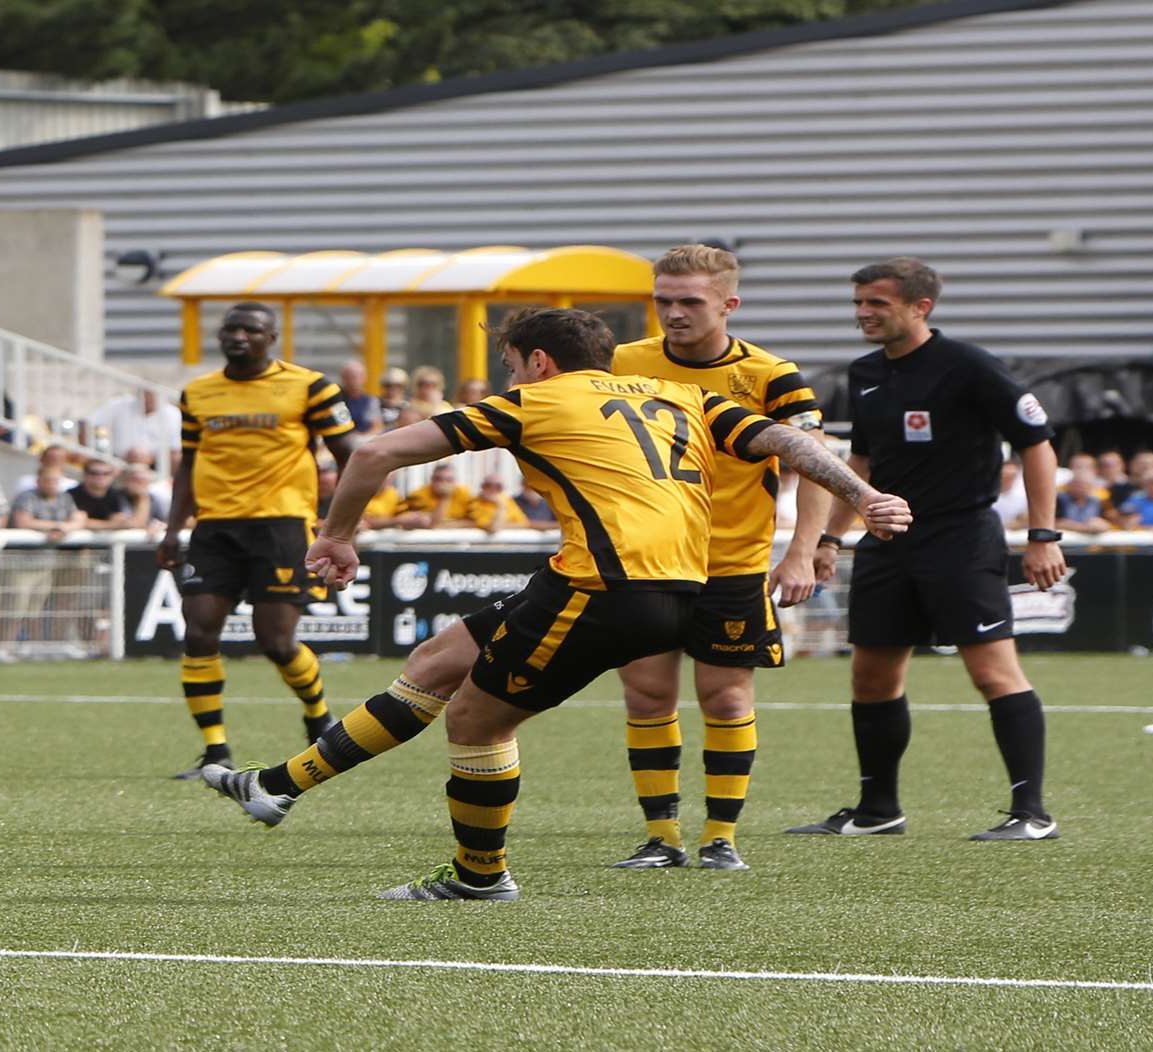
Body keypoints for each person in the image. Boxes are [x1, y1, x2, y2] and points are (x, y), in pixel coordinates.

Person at [197, 307, 908, 899]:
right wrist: (865, 496)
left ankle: (478, 877)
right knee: (440, 660)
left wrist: (338, 535)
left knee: (476, 722)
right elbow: (789, 439)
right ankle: (277, 785)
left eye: (509, 362)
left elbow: (372, 453)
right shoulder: (681, 395)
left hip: (606, 588)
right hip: (665, 581)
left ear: (538, 362)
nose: (509, 376)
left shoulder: (535, 399)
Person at [799, 257, 1065, 842]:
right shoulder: (864, 372)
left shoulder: (968, 366)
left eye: (877, 304)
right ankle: (877, 810)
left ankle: (1031, 814)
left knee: (994, 674)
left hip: (961, 541)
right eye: (859, 303)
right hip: (886, 544)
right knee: (870, 678)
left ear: (922, 307)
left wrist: (1042, 536)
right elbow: (861, 466)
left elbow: (1037, 444)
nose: (864, 314)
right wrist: (829, 537)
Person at [603, 243, 831, 870]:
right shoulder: (625, 362)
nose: (673, 314)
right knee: (647, 696)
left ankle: (720, 838)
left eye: (689, 302)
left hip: (732, 561)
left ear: (729, 304)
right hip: (646, 562)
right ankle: (662, 837)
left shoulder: (771, 375)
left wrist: (802, 552)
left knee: (726, 699)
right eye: (663, 301)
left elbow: (815, 467)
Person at [157, 302, 360, 777]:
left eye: (252, 329)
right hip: (215, 528)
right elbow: (188, 463)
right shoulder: (198, 393)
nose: (240, 336)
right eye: (232, 328)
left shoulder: (309, 386)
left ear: (272, 338)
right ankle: (215, 750)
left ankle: (317, 713)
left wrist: (342, 526)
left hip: (282, 525)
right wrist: (172, 527)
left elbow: (351, 455)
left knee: (277, 642)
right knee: (199, 629)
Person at [89, 390, 183, 473]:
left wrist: (151, 458)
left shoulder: (172, 414)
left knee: (177, 458)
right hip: (116, 459)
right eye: (146, 396)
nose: (149, 400)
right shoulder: (119, 405)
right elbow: (96, 426)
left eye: (153, 397)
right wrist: (104, 449)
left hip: (155, 464)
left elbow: (175, 446)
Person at [10, 465, 81, 537]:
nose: (51, 484)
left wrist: (64, 528)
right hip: (26, 544)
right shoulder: (26, 497)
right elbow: (22, 523)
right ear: (38, 481)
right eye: (47, 480)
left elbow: (78, 520)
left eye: (55, 481)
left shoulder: (65, 497)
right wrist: (56, 527)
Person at [395, 463, 473, 528]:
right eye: (439, 479)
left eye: (449, 480)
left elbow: (475, 522)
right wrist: (445, 498)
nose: (444, 483)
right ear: (432, 480)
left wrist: (444, 525)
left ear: (454, 482)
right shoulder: (418, 495)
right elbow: (431, 524)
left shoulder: (464, 493)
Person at [70, 459, 132, 527]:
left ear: (113, 475)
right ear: (85, 474)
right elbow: (73, 522)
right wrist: (109, 524)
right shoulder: (70, 495)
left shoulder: (118, 495)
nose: (100, 477)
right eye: (94, 473)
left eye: (106, 473)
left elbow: (126, 521)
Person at [1055, 468, 1113, 533]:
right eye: (1077, 485)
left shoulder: (1097, 502)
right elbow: (1053, 522)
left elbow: (1107, 523)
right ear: (1069, 485)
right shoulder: (1059, 499)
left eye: (1084, 485)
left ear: (1091, 487)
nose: (1080, 488)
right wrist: (1083, 527)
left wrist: (1102, 525)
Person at [336, 361, 382, 435]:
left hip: (365, 440)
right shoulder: (336, 400)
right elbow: (340, 425)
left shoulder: (371, 401)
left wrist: (363, 439)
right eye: (348, 376)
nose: (352, 381)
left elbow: (377, 427)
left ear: (364, 378)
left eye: (355, 376)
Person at [990, 460, 1028, 527]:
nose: (1008, 480)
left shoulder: (1023, 495)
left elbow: (1025, 517)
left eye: (1012, 476)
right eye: (1005, 475)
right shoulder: (987, 495)